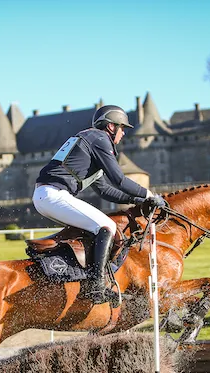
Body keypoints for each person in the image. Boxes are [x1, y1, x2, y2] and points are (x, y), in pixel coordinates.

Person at [33, 104, 167, 306]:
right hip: (53, 195)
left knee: (93, 230)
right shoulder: (100, 139)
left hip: (46, 196)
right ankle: (96, 287)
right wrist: (149, 194)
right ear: (111, 126)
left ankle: (79, 275)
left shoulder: (90, 142)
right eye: (122, 128)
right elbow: (119, 180)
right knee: (107, 227)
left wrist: (138, 200)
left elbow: (105, 190)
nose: (123, 134)